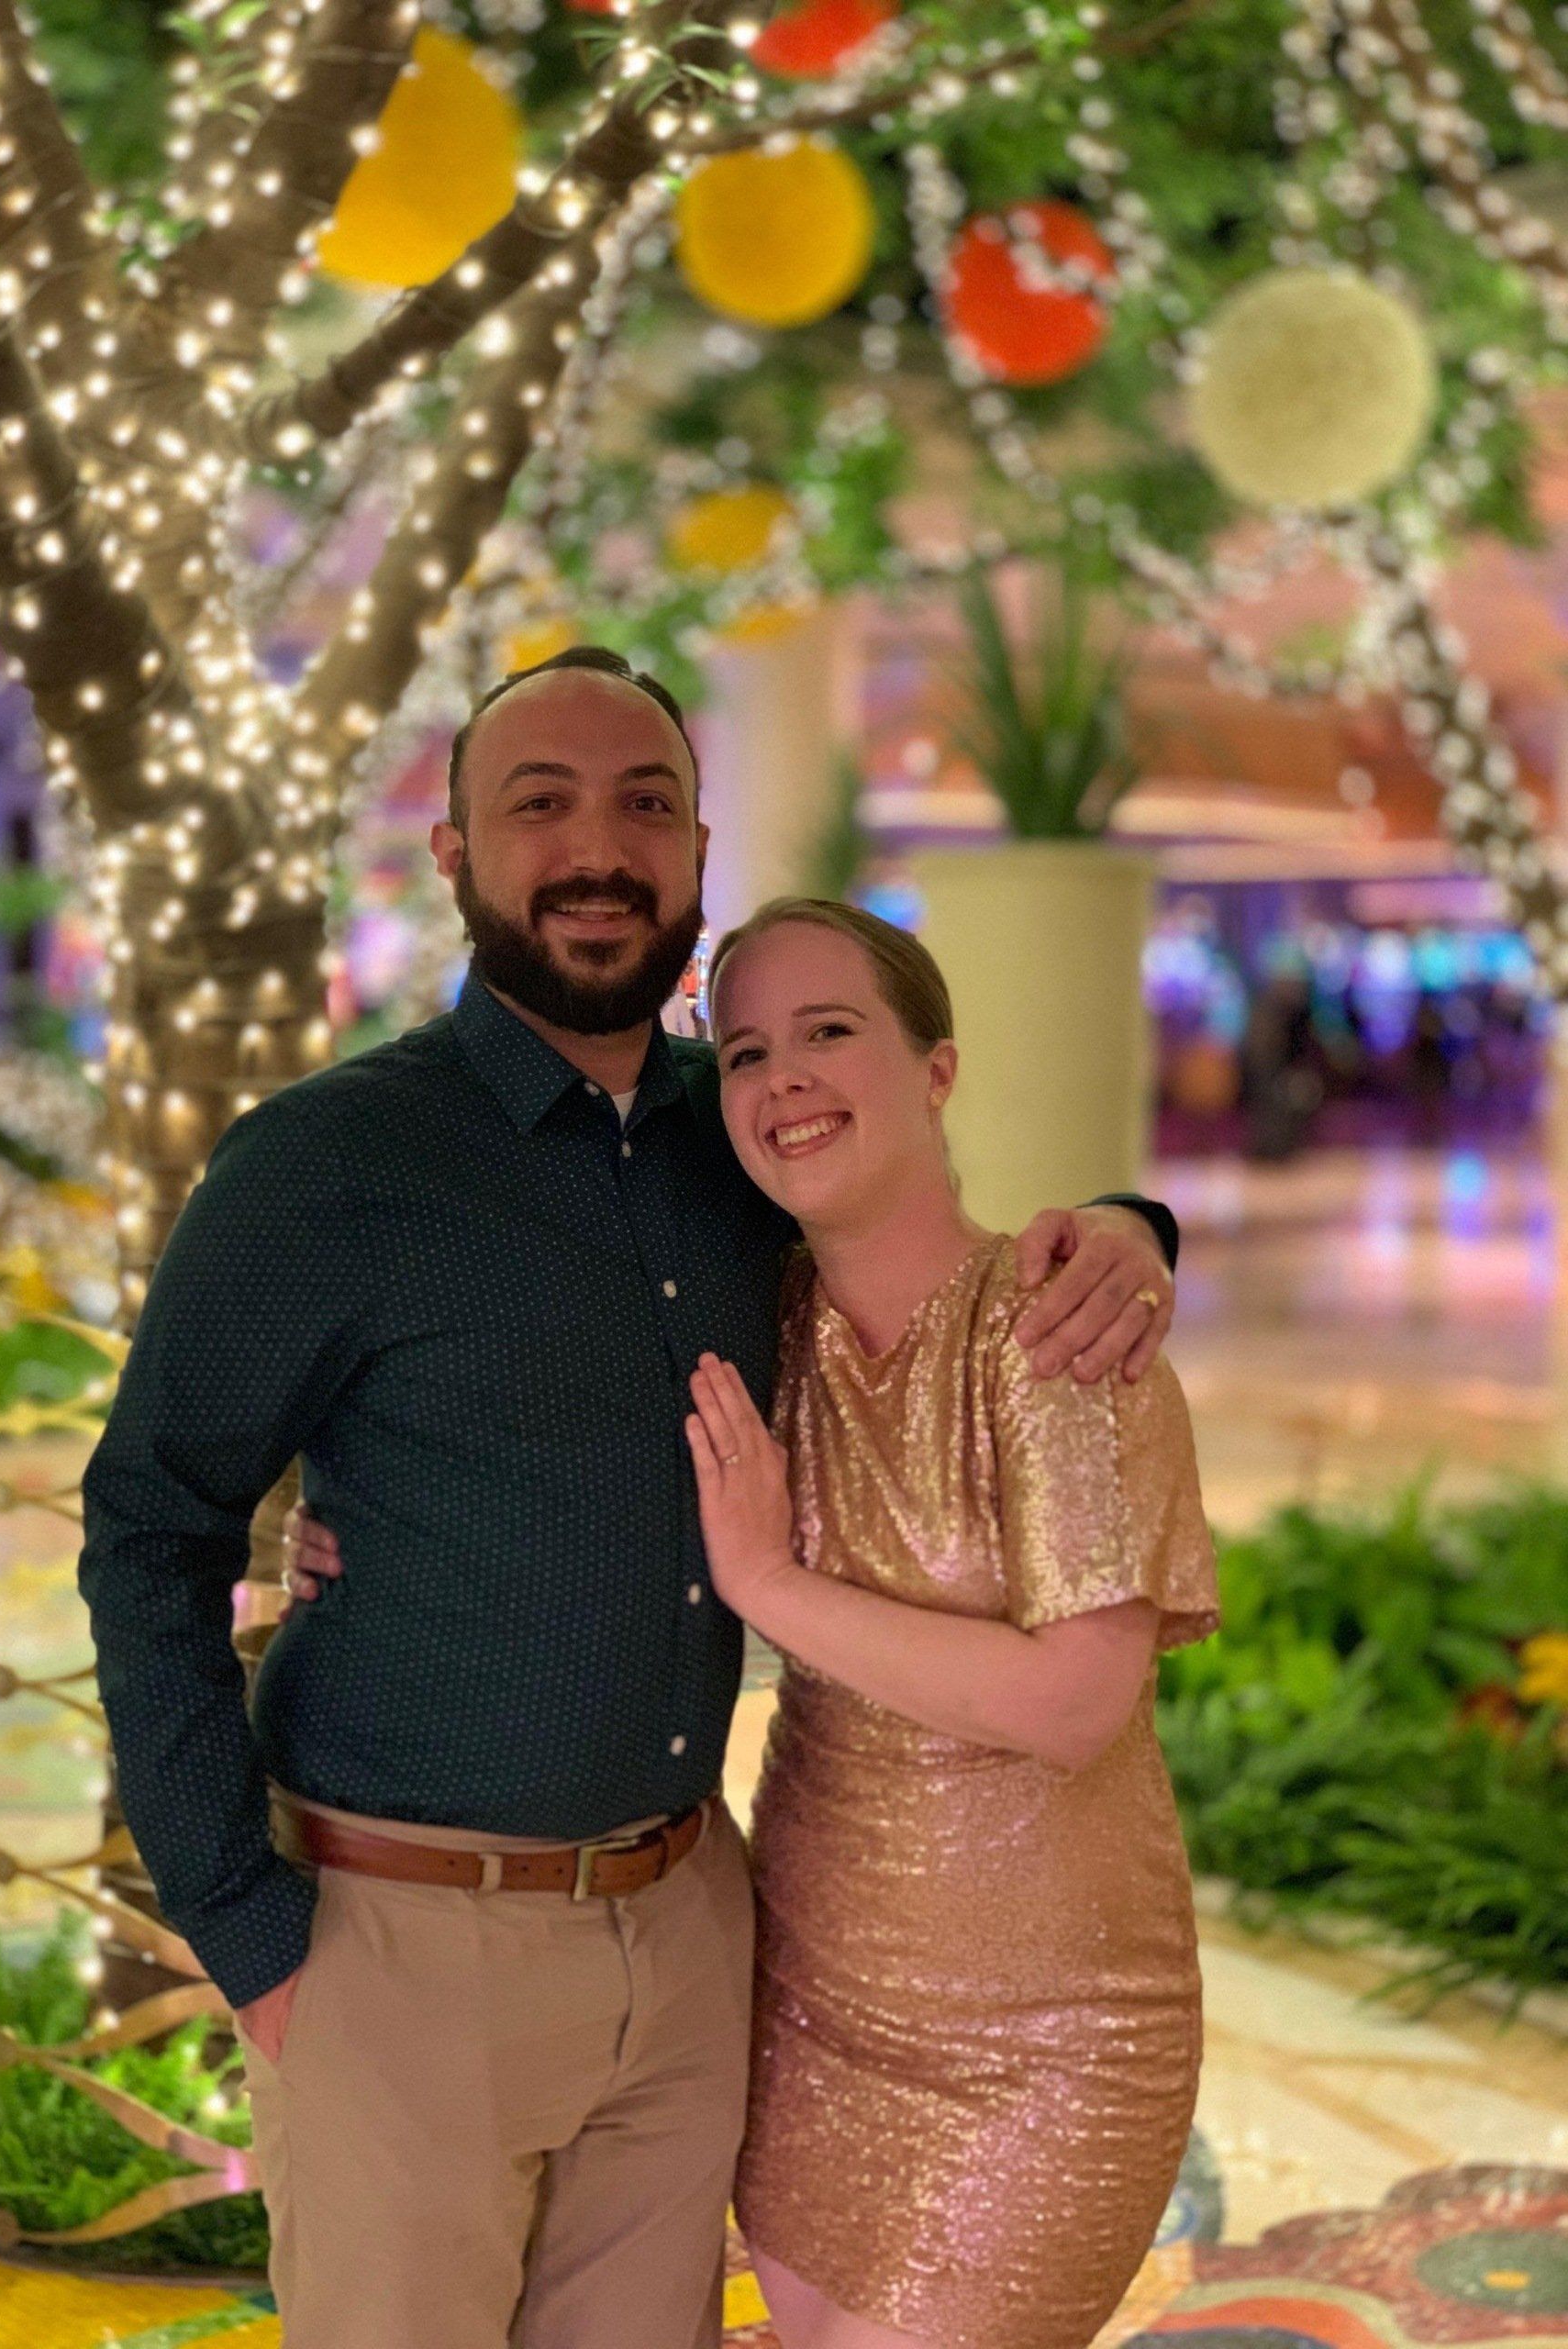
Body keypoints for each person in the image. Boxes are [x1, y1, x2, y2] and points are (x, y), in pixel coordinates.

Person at [78, 645, 1182, 2349]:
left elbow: (916, 1214)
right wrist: (246, 1928)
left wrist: (1126, 1222)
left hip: (695, 1937)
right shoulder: (324, 1165)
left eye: (645, 803)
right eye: (540, 803)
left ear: (694, 850)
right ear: (454, 851)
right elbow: (151, 1526)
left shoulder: (739, 1134)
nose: (598, 846)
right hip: (402, 1943)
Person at [685, 898, 1218, 2349]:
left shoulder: (1055, 1329)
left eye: (830, 1032)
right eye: (744, 1052)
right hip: (811, 2002)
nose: (783, 1077)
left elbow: (1072, 1705)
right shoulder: (755, 1327)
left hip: (1047, 2043)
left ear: (937, 1068)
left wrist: (773, 1589)